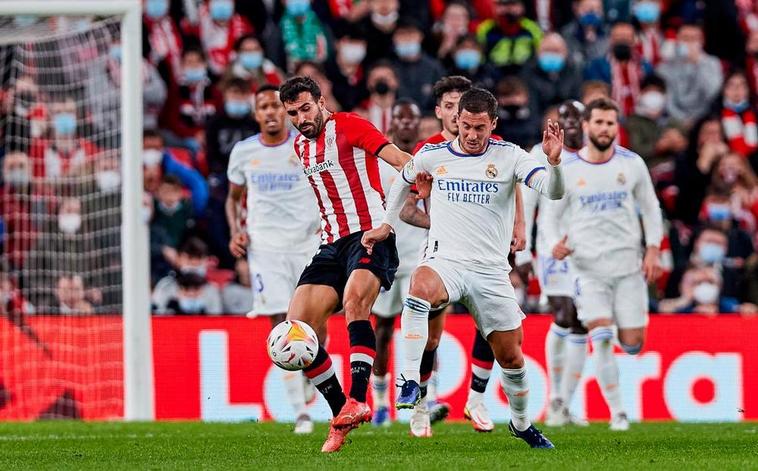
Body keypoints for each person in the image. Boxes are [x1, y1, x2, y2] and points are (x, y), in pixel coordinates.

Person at [362, 87, 563, 448]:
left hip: (489, 270)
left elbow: (553, 192)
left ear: (493, 124)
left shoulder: (510, 156)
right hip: (446, 261)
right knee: (419, 286)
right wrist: (387, 225)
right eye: (466, 126)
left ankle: (520, 423)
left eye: (479, 128)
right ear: (456, 121)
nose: (471, 135)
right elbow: (402, 182)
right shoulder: (433, 154)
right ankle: (407, 381)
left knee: (512, 356)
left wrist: (554, 163)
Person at [278, 76, 410, 453]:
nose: (302, 118)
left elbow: (398, 160)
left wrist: (422, 184)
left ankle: (358, 397)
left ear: (321, 102)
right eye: (294, 113)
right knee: (296, 330)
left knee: (356, 302)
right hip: (331, 243)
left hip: (370, 235)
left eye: (306, 108)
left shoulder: (350, 125)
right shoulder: (301, 146)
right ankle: (342, 413)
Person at [403, 76, 527, 436]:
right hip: (444, 256)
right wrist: (443, 219)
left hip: (487, 252)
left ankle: (476, 398)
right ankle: (421, 406)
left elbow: (512, 184)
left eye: (465, 105)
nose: (462, 116)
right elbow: (408, 208)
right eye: (452, 105)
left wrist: (519, 225)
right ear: (444, 112)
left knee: (490, 328)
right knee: (430, 337)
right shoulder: (428, 153)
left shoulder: (495, 148)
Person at [543, 98, 664, 431]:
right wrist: (555, 243)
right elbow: (552, 214)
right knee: (602, 335)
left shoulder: (632, 164)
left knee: (632, 342)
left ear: (616, 127)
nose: (604, 129)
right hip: (587, 268)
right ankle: (618, 413)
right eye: (598, 122)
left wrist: (653, 248)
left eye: (610, 123)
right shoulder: (569, 170)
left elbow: (651, 209)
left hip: (628, 268)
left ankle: (605, 397)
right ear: (586, 125)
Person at [226, 83, 321, 434]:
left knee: (313, 320)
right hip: (265, 247)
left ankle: (312, 368)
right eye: (263, 107)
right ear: (256, 114)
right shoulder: (243, 152)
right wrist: (237, 230)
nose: (270, 112)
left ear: (285, 111)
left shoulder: (305, 145)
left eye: (275, 107)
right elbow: (233, 199)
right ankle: (301, 413)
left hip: (306, 243)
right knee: (280, 323)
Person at [517, 100, 589, 427]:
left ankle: (564, 402)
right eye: (564, 118)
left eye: (577, 118)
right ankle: (554, 400)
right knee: (563, 312)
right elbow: (528, 202)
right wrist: (523, 252)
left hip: (587, 251)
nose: (571, 123)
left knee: (582, 322)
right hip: (552, 248)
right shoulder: (538, 152)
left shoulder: (597, 157)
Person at [371, 98, 427, 429]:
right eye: (400, 118)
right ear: (392, 123)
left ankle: (418, 399)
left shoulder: (428, 160)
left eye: (412, 119)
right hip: (386, 255)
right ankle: (379, 402)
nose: (406, 124)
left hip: (419, 256)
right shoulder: (379, 162)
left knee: (415, 326)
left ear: (419, 125)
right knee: (382, 331)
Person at [151, 237, 223, 315]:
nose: (194, 263)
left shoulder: (210, 289)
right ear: (179, 258)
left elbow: (216, 319)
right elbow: (156, 315)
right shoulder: (167, 286)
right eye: (190, 258)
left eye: (198, 259)